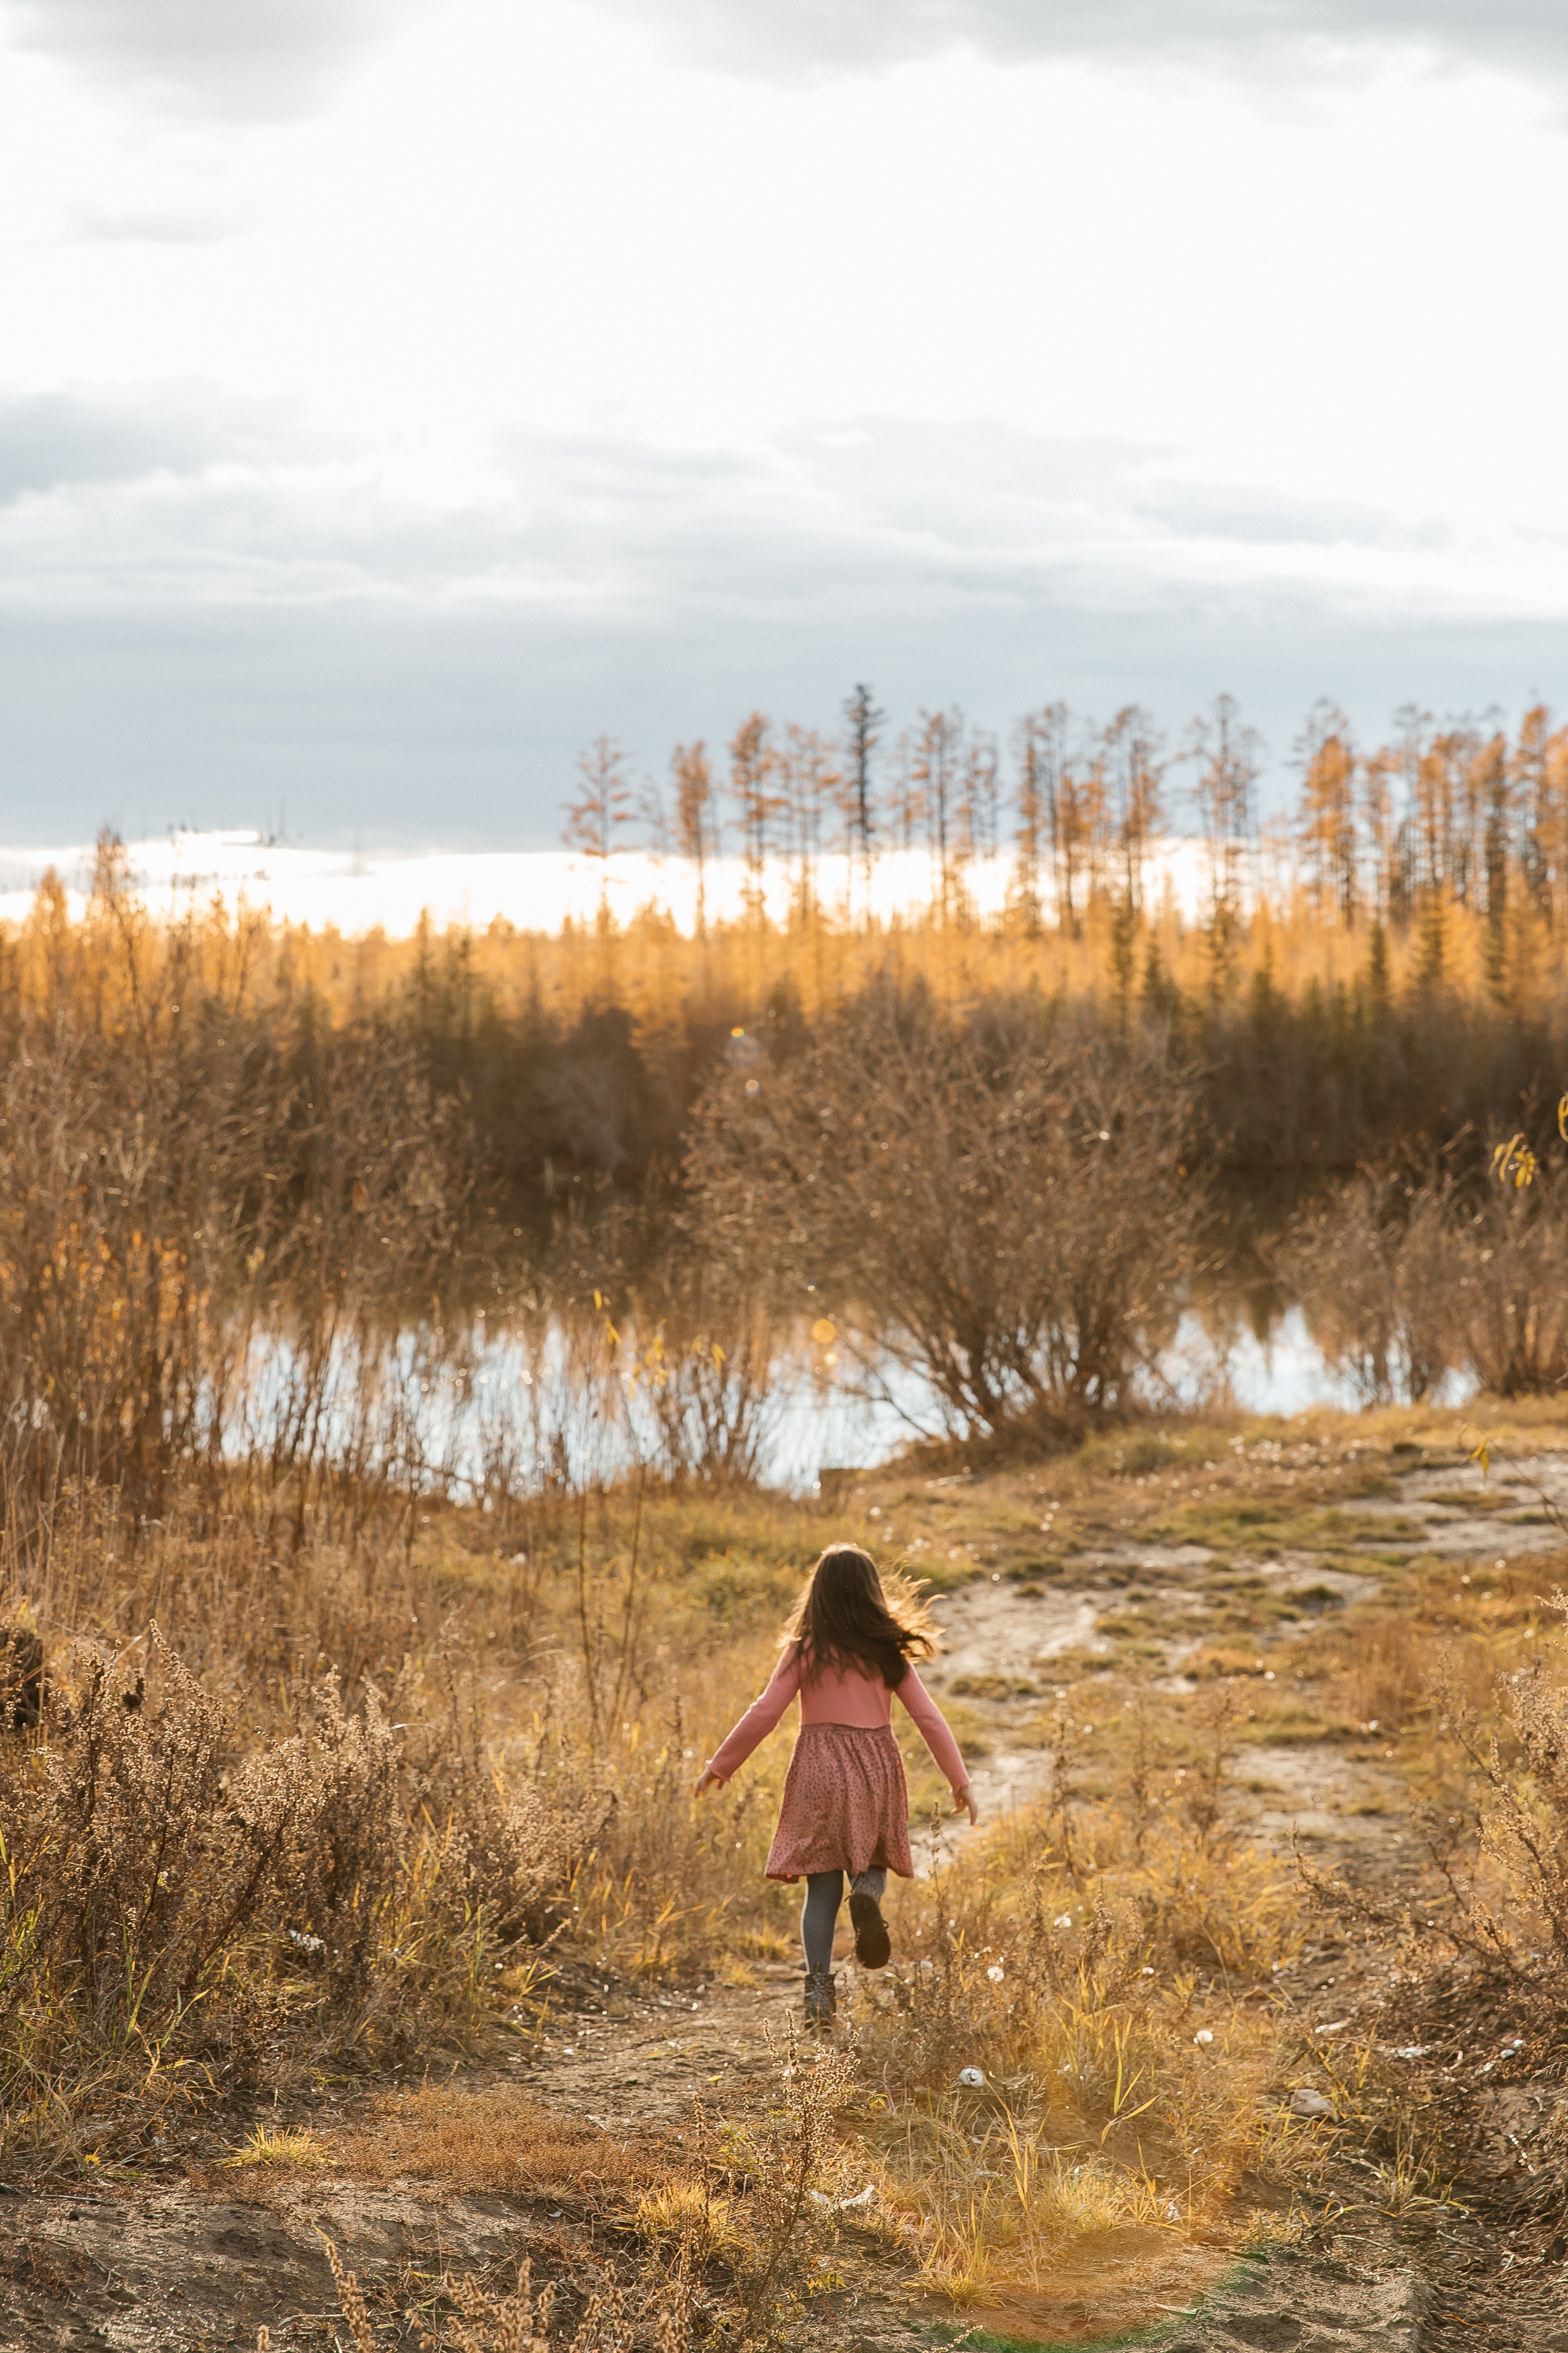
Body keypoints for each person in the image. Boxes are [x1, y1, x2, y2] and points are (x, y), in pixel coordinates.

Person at [694, 1544, 978, 2028]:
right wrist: (960, 1781)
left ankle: (818, 1992)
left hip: (817, 1771)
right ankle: (866, 1891)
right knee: (874, 1858)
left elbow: (765, 1709)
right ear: (871, 1595)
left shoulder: (804, 1652)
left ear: (817, 1595)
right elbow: (927, 1717)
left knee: (820, 1888)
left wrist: (722, 1764)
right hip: (874, 1769)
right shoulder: (886, 1655)